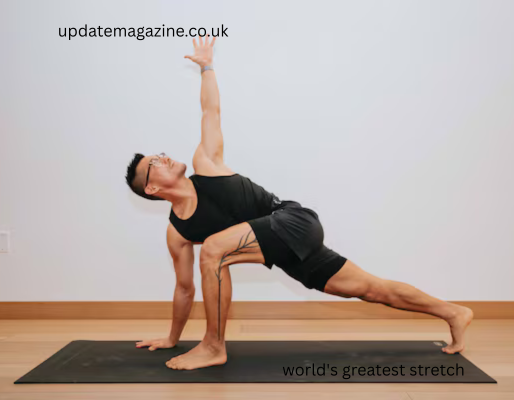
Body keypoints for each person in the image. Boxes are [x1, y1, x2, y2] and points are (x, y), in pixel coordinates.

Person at [125, 35, 473, 371]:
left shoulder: (207, 163)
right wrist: (172, 338)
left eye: (159, 153)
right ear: (152, 188)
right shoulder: (177, 232)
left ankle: (214, 346)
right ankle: (454, 313)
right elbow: (184, 289)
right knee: (369, 288)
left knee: (214, 250)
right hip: (285, 250)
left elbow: (210, 111)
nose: (162, 157)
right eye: (154, 163)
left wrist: (207, 68)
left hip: (292, 220)